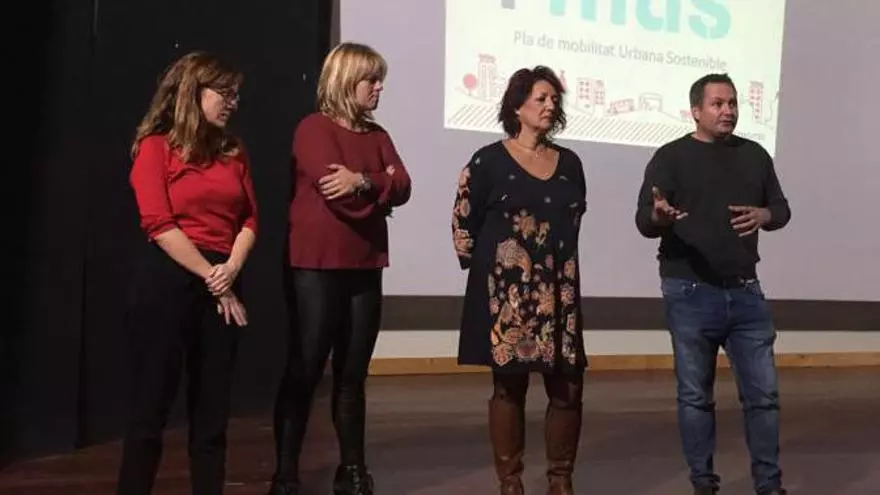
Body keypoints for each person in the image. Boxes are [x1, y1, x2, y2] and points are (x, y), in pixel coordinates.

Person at [635, 73, 791, 495]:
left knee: (764, 396)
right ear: (696, 111)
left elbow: (781, 209)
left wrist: (765, 215)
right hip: (689, 291)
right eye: (718, 104)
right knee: (695, 397)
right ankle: (703, 482)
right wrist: (660, 216)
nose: (728, 111)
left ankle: (769, 485)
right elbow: (645, 220)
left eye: (733, 103)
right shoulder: (670, 157)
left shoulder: (754, 155)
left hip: (746, 291)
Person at [267, 42, 412, 495]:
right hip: (316, 264)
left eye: (380, 80)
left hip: (365, 263)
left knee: (353, 373)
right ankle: (285, 474)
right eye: (372, 80)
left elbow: (404, 186)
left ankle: (352, 469)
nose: (379, 88)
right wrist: (379, 195)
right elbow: (338, 194)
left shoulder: (378, 135)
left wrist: (365, 181)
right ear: (346, 81)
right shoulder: (314, 128)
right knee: (307, 367)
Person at [117, 51, 258, 495]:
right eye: (224, 93)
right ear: (193, 92)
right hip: (170, 278)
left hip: (223, 277)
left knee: (212, 416)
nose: (233, 102)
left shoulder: (234, 151)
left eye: (236, 94)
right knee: (150, 411)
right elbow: (158, 223)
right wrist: (213, 277)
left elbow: (250, 219)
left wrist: (230, 269)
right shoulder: (156, 147)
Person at [451, 66, 588, 495]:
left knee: (568, 387)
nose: (549, 105)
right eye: (541, 98)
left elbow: (574, 221)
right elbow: (463, 226)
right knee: (509, 387)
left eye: (554, 100)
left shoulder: (570, 163)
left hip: (559, 292)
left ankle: (560, 481)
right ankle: (510, 483)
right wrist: (498, 276)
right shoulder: (488, 161)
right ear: (517, 105)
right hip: (508, 296)